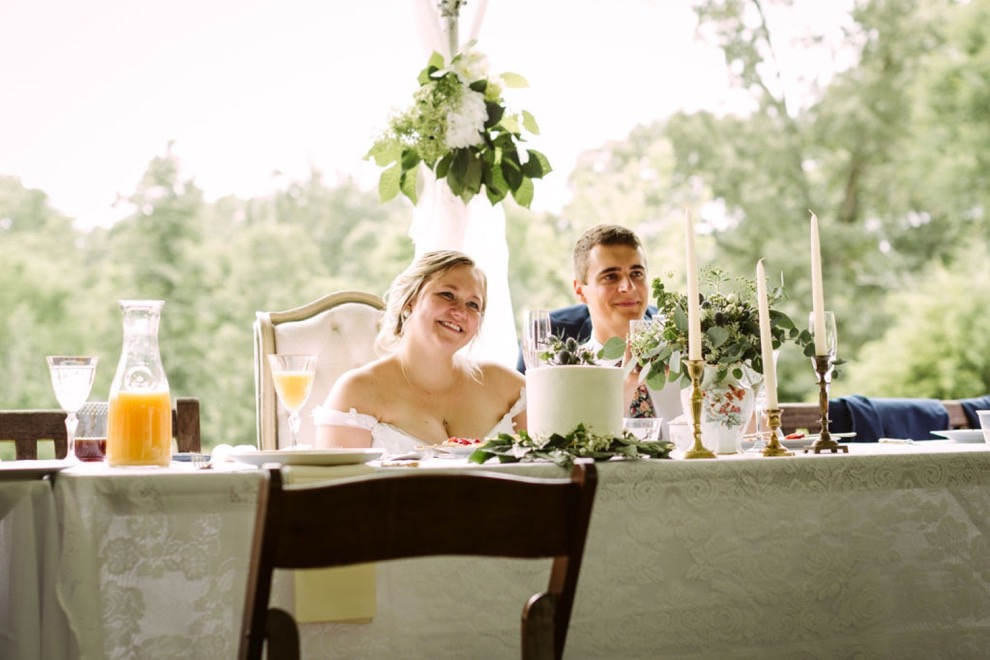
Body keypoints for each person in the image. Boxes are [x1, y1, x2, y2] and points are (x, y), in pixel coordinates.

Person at [315, 250, 526, 452]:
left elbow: (548, 471)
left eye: (473, 304)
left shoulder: (509, 387)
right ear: (410, 301)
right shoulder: (357, 391)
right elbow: (337, 487)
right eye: (447, 294)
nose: (460, 311)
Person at [516, 223, 681, 435]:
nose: (628, 287)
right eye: (610, 276)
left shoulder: (684, 355)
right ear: (580, 290)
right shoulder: (565, 376)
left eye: (637, 273)